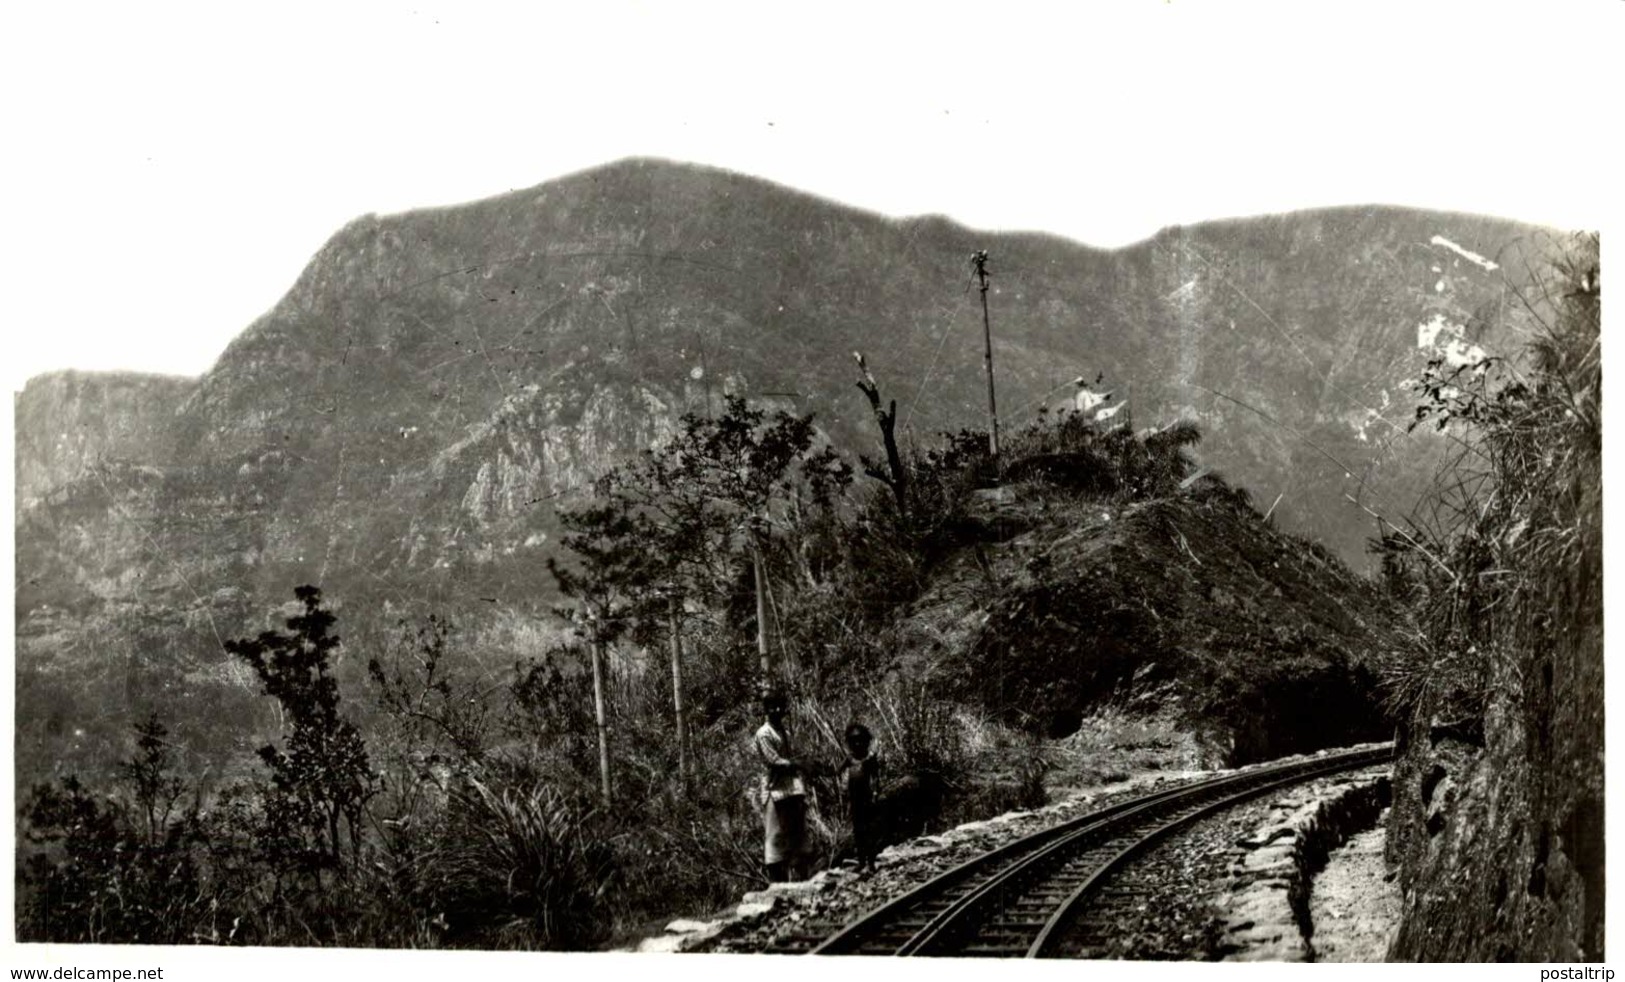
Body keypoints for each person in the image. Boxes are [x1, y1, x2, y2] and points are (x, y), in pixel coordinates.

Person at [754, 690, 807, 883]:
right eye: (772, 707)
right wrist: (800, 764)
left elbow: (791, 757)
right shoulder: (764, 734)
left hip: (790, 788)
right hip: (773, 789)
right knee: (775, 838)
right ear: (766, 710)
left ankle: (799, 881)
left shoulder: (785, 731)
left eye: (780, 706)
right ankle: (777, 885)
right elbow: (774, 761)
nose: (777, 710)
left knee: (795, 835)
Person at [841, 721, 881, 874]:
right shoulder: (850, 759)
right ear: (850, 743)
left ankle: (871, 863)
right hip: (854, 798)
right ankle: (861, 861)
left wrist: (876, 792)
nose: (857, 744)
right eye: (854, 741)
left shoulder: (870, 758)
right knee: (858, 831)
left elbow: (876, 777)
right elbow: (837, 770)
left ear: (866, 741)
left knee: (868, 831)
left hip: (866, 798)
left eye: (860, 740)